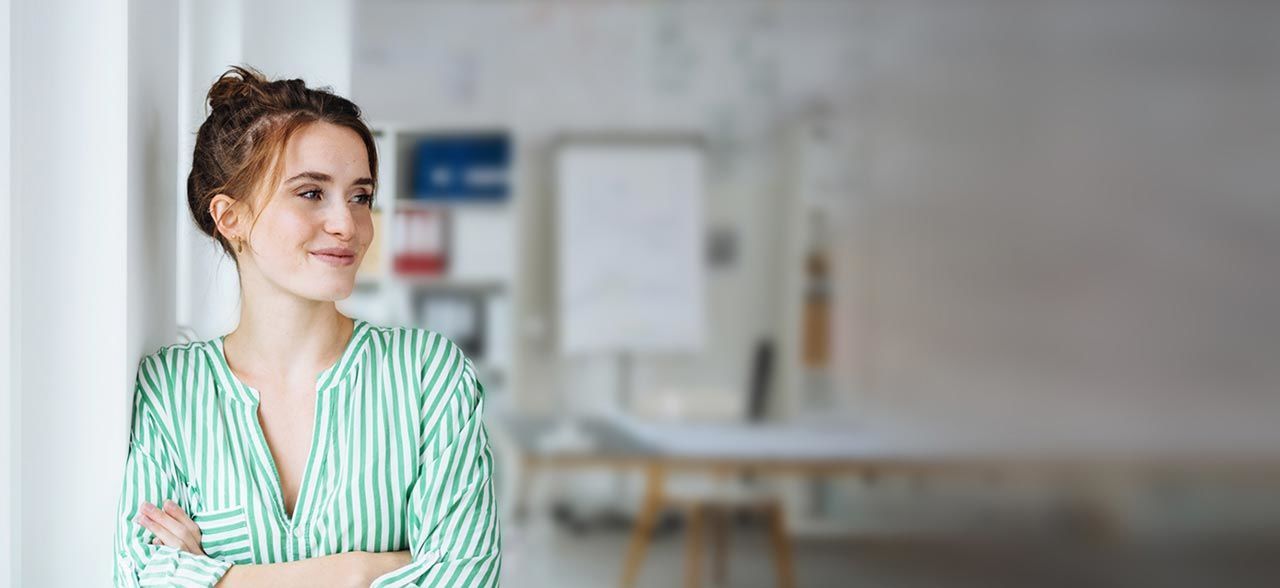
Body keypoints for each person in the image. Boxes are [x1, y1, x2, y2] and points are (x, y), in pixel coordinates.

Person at [111, 65, 500, 587]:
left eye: (360, 197)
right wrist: (359, 570)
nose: (347, 225)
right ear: (231, 217)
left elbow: (465, 575)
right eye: (311, 193)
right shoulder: (171, 389)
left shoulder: (428, 374)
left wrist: (217, 577)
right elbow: (141, 575)